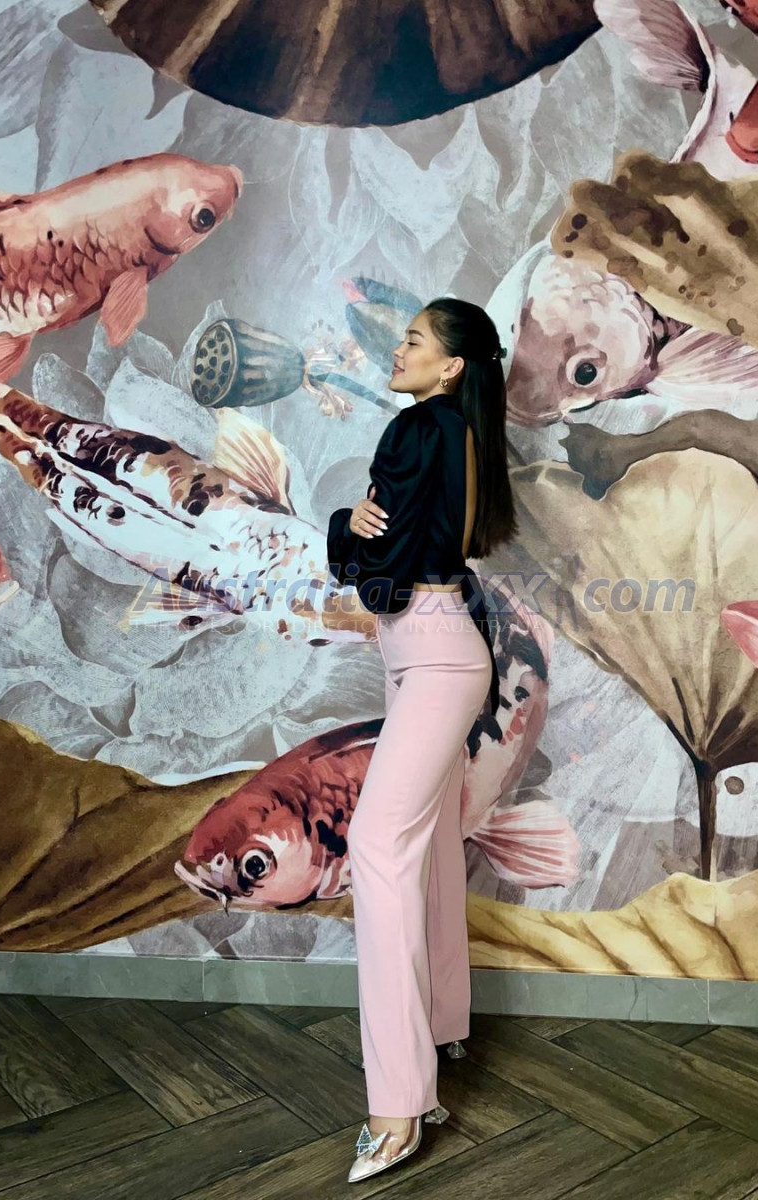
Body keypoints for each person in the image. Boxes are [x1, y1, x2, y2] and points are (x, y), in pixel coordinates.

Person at [326, 297, 518, 1183]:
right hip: (441, 649)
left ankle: (399, 1106)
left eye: (413, 340)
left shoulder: (416, 428)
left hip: (429, 648)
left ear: (450, 366)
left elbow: (381, 575)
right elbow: (422, 541)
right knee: (431, 838)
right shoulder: (467, 432)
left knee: (378, 844)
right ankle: (442, 1027)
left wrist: (345, 532)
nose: (396, 349)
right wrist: (363, 533)